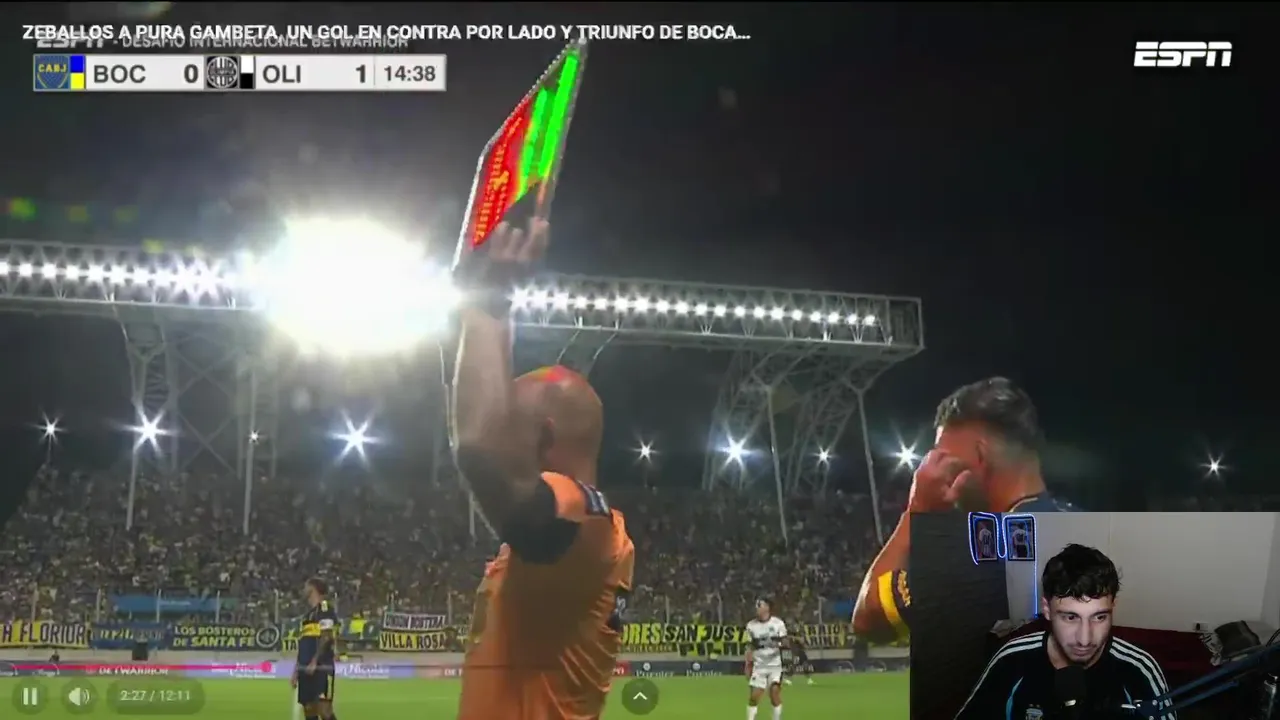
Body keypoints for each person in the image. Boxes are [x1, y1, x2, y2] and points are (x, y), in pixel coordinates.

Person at [452, 218, 636, 720]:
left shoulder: (588, 523)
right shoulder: (580, 535)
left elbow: (478, 448)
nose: (501, 432)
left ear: (545, 438)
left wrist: (487, 304)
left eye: (511, 424)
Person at [853, 377, 1066, 643]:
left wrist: (916, 512)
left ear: (980, 456)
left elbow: (869, 619)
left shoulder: (980, 554)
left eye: (943, 458)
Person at [953, 544, 1175, 719]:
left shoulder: (1139, 669)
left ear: (1113, 608)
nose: (1085, 640)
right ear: (1047, 609)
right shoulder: (1010, 660)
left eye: (1099, 617)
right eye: (1070, 617)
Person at [293, 577, 339, 720]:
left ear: (313, 588)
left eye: (306, 587)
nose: (304, 590)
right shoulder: (307, 616)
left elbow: (326, 636)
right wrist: (296, 671)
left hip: (321, 667)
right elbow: (304, 644)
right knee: (309, 710)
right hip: (305, 669)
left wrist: (314, 661)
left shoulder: (324, 608)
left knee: (324, 710)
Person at [745, 598, 788, 719]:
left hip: (775, 665)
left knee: (774, 694)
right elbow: (749, 647)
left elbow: (785, 642)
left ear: (767, 608)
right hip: (759, 666)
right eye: (756, 606)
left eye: (760, 606)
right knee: (754, 697)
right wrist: (748, 664)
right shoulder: (751, 626)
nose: (757, 609)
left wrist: (781, 645)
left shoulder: (778, 624)